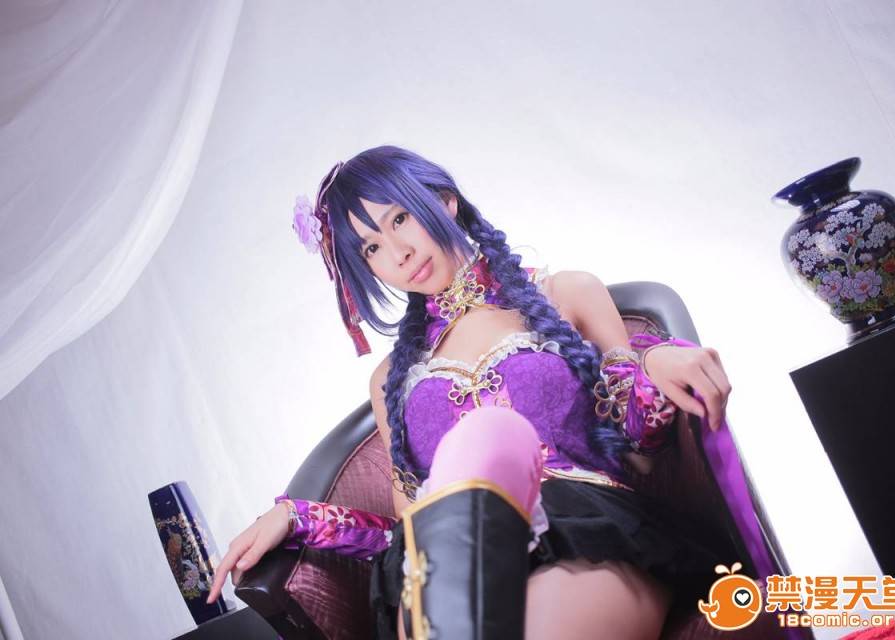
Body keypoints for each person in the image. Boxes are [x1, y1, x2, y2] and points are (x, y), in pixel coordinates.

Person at [207, 145, 735, 640]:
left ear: (444, 201)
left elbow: (640, 452)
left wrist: (651, 358)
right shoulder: (391, 380)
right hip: (450, 555)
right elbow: (405, 528)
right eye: (371, 247)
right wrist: (301, 519)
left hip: (583, 531)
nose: (398, 253)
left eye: (399, 219)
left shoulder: (566, 293)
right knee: (439, 550)